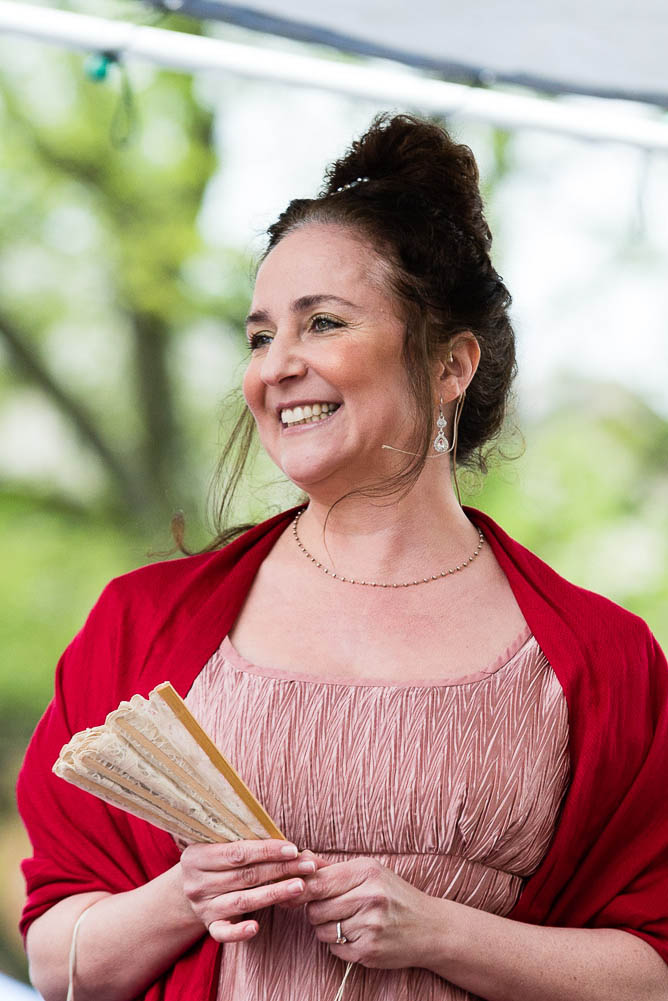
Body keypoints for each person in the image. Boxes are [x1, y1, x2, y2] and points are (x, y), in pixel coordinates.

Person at [17, 112, 668, 1001]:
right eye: (258, 335)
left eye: (321, 322)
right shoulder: (144, 623)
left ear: (451, 365)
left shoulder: (605, 660)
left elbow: (655, 970)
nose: (274, 365)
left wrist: (444, 932)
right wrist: (182, 894)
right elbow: (60, 965)